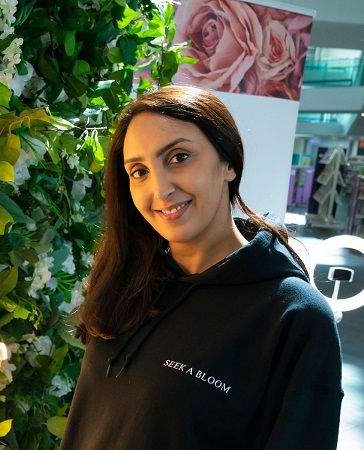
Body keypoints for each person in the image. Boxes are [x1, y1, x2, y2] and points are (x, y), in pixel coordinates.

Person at [60, 85, 343, 449]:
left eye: (178, 157)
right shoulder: (133, 282)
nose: (160, 189)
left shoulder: (294, 318)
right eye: (139, 171)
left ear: (228, 162)